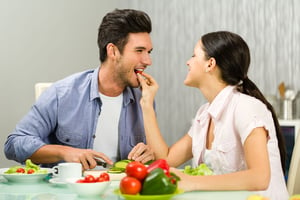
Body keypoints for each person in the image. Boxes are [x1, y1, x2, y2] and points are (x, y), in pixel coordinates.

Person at [137, 31, 289, 200]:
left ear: (210, 64)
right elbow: (166, 159)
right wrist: (147, 104)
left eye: (194, 56)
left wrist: (192, 182)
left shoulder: (246, 108)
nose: (188, 62)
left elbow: (260, 178)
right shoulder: (204, 115)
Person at [4, 9, 155, 170]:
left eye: (149, 52)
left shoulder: (144, 99)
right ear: (113, 51)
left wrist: (149, 152)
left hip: (121, 191)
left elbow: (154, 156)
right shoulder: (62, 94)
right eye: (139, 51)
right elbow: (14, 143)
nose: (148, 61)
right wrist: (65, 152)